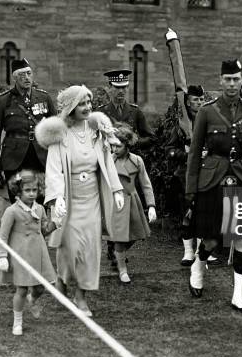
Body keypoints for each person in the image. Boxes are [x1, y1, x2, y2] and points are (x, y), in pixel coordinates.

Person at [185, 59, 242, 315]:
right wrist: (191, 191)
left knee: (241, 239)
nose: (232, 84)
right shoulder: (206, 112)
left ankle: (238, 295)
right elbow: (195, 152)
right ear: (220, 81)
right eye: (227, 79)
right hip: (212, 182)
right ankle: (198, 266)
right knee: (211, 240)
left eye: (236, 79)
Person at [35, 85, 124, 317]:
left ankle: (81, 296)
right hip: (69, 202)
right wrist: (56, 199)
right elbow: (53, 169)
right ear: (71, 108)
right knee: (69, 248)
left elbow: (107, 162)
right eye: (82, 104)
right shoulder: (60, 134)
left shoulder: (97, 130)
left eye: (89, 103)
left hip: (92, 200)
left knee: (89, 249)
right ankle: (63, 281)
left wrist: (116, 190)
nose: (87, 107)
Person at [97, 69, 154, 264]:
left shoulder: (135, 111)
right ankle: (113, 248)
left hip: (127, 166)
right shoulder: (102, 112)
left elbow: (150, 137)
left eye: (124, 87)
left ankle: (119, 246)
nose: (121, 91)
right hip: (107, 163)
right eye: (116, 88)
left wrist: (132, 143)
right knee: (110, 205)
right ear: (109, 89)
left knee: (126, 207)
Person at [0, 170, 57, 336]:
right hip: (21, 254)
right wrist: (2, 256)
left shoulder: (40, 209)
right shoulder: (11, 211)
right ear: (19, 191)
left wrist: (56, 222)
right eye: (27, 191)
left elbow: (44, 230)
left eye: (34, 190)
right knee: (21, 290)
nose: (31, 194)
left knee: (42, 287)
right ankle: (18, 322)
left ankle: (33, 299)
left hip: (39, 253)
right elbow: (3, 235)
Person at [0, 59, 57, 203]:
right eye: (22, 75)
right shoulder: (3, 101)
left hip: (41, 157)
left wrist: (58, 162)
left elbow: (56, 130)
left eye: (29, 73)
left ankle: (38, 226)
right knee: (18, 203)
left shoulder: (44, 97)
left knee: (40, 202)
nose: (27, 78)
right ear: (14, 77)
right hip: (14, 159)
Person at [110, 123, 157, 283]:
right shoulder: (109, 161)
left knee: (137, 234)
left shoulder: (137, 161)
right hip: (115, 203)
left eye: (119, 146)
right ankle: (122, 269)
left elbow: (146, 184)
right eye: (112, 145)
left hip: (132, 201)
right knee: (119, 239)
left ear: (127, 145)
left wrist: (151, 206)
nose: (115, 149)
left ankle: (118, 253)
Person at [165, 85, 206, 266]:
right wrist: (185, 153)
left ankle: (203, 251)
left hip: (207, 174)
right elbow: (169, 150)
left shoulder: (209, 122)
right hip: (185, 176)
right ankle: (188, 251)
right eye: (196, 100)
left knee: (205, 211)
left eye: (201, 99)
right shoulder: (181, 127)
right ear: (188, 104)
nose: (199, 103)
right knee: (187, 213)